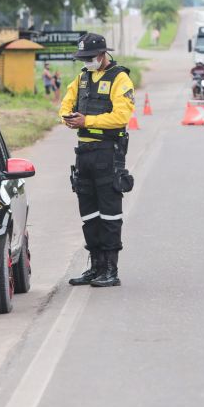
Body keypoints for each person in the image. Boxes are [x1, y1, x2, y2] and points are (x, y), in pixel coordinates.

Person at [59, 33, 135, 287]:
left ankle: (111, 270)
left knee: (110, 214)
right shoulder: (81, 79)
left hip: (108, 153)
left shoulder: (120, 79)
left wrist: (87, 121)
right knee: (89, 214)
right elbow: (65, 106)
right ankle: (96, 266)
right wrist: (68, 118)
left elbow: (121, 117)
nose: (87, 62)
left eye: (90, 57)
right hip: (84, 154)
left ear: (103, 55)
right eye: (84, 58)